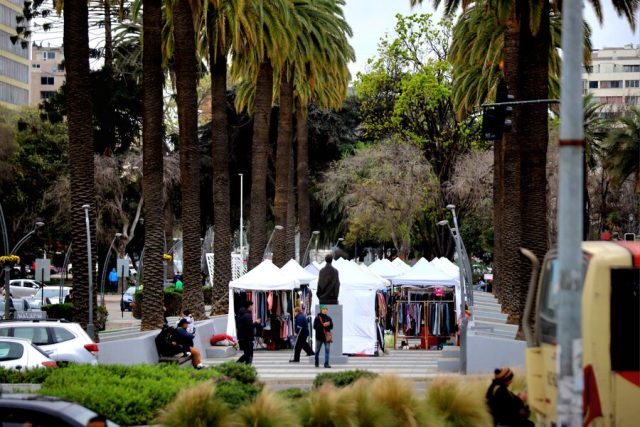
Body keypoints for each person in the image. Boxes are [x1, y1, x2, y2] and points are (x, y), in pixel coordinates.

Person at [236, 300, 260, 364]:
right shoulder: (247, 315)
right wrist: (256, 323)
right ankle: (243, 366)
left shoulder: (241, 314)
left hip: (242, 338)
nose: (252, 307)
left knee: (247, 354)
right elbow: (250, 327)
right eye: (252, 306)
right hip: (247, 338)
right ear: (249, 306)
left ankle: (240, 365)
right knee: (249, 355)